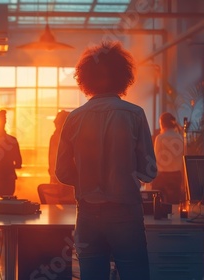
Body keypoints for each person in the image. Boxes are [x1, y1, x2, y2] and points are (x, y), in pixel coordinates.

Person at [56, 41, 157, 280]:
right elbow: (149, 170)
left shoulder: (74, 118)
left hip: (88, 215)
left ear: (85, 78)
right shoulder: (134, 114)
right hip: (125, 214)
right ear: (122, 76)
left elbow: (61, 172)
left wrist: (85, 181)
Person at [152, 112, 184, 204]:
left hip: (162, 176)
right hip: (176, 175)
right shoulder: (180, 138)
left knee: (158, 202)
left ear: (162, 123)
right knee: (174, 203)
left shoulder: (160, 138)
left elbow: (156, 159)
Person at [49, 110, 70, 184]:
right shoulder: (58, 136)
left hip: (60, 172)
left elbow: (51, 156)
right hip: (63, 173)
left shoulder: (56, 136)